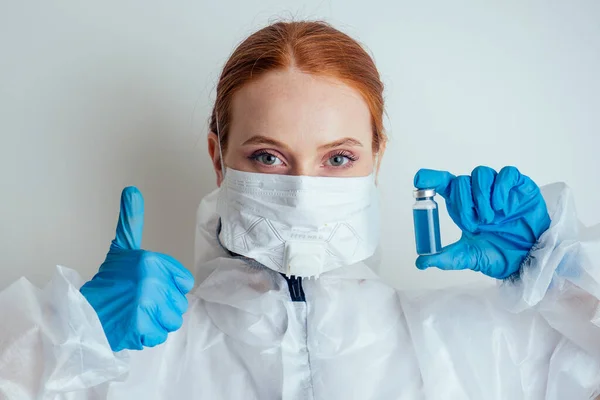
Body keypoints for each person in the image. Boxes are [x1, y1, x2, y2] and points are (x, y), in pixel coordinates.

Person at [1, 20, 599, 400]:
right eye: (268, 157)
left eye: (337, 158)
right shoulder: (125, 360)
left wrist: (563, 275)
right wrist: (66, 338)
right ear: (218, 156)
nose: (305, 189)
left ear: (376, 156)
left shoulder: (476, 345)